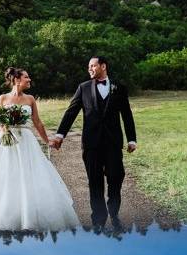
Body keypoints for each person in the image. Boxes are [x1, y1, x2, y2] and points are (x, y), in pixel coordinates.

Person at [0, 67, 81, 231]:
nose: (29, 80)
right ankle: (4, 218)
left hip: (26, 140)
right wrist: (3, 129)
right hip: (6, 141)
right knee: (5, 176)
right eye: (26, 77)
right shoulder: (3, 98)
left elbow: (37, 122)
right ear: (16, 80)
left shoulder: (30, 99)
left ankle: (31, 218)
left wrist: (47, 141)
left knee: (30, 174)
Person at [50, 57, 137, 230]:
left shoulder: (119, 88)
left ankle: (114, 213)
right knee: (95, 182)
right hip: (91, 144)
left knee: (116, 178)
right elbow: (71, 112)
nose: (90, 69)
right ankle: (98, 219)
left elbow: (126, 115)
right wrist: (60, 135)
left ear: (103, 66)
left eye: (93, 65)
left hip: (113, 143)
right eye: (89, 66)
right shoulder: (83, 88)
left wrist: (132, 139)